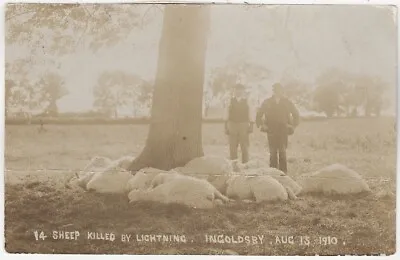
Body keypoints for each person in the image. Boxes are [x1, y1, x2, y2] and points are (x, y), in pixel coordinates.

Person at [256, 83, 300, 173]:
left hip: (283, 130)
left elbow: (296, 114)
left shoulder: (287, 102)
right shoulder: (267, 102)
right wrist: (261, 124)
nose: (278, 92)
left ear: (282, 91)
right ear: (273, 91)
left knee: (282, 152)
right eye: (276, 90)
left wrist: (293, 126)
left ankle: (283, 173)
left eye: (280, 90)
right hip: (271, 130)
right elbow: (259, 114)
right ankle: (273, 173)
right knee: (272, 153)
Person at [224, 83, 255, 164]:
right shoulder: (230, 101)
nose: (238, 92)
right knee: (232, 146)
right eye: (236, 90)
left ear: (243, 91)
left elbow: (251, 113)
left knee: (244, 146)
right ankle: (234, 165)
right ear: (234, 91)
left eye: (240, 90)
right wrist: (226, 127)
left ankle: (245, 164)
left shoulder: (247, 101)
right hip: (232, 124)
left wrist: (251, 125)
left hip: (243, 125)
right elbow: (226, 114)